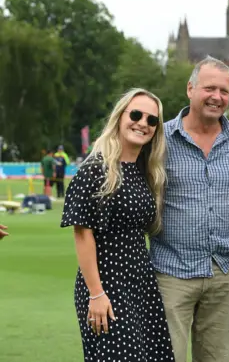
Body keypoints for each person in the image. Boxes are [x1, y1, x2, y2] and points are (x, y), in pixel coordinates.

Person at [150, 56, 229, 362]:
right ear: (190, 89)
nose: (217, 97)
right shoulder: (160, 138)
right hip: (171, 271)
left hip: (226, 272)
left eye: (224, 91)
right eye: (210, 88)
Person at [60, 88, 175, 362]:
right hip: (106, 285)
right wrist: (96, 293)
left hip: (141, 284)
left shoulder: (144, 172)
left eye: (151, 120)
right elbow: (82, 233)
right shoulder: (95, 169)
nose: (142, 123)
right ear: (120, 117)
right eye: (135, 114)